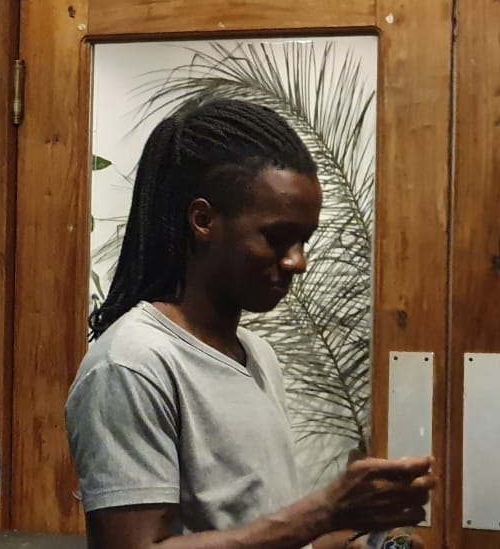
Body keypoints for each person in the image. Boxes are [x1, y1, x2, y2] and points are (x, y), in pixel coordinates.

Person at [65, 98, 435, 549]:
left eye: (304, 241)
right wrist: (323, 511)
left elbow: (264, 532)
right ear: (203, 220)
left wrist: (357, 540)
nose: (298, 262)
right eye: (278, 238)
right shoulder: (131, 364)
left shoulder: (258, 355)